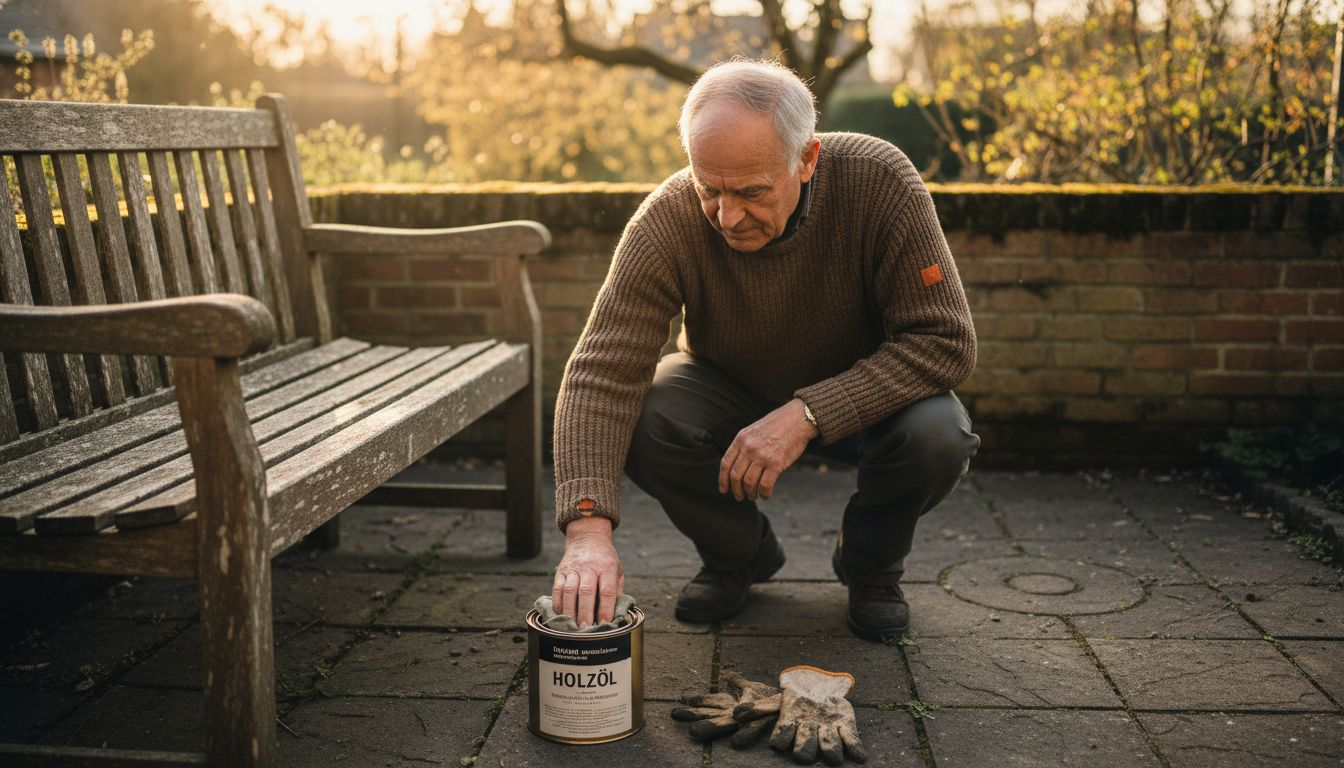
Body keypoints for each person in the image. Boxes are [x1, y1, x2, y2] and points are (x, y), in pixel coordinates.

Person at [549, 59, 980, 640]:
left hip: (870, 404)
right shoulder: (668, 219)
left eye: (751, 192)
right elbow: (600, 374)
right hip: (731, 390)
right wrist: (586, 529)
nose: (726, 217)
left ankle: (870, 565)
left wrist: (808, 414)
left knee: (939, 433)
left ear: (807, 159)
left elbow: (945, 341)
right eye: (710, 189)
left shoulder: (881, 183)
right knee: (650, 409)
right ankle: (739, 554)